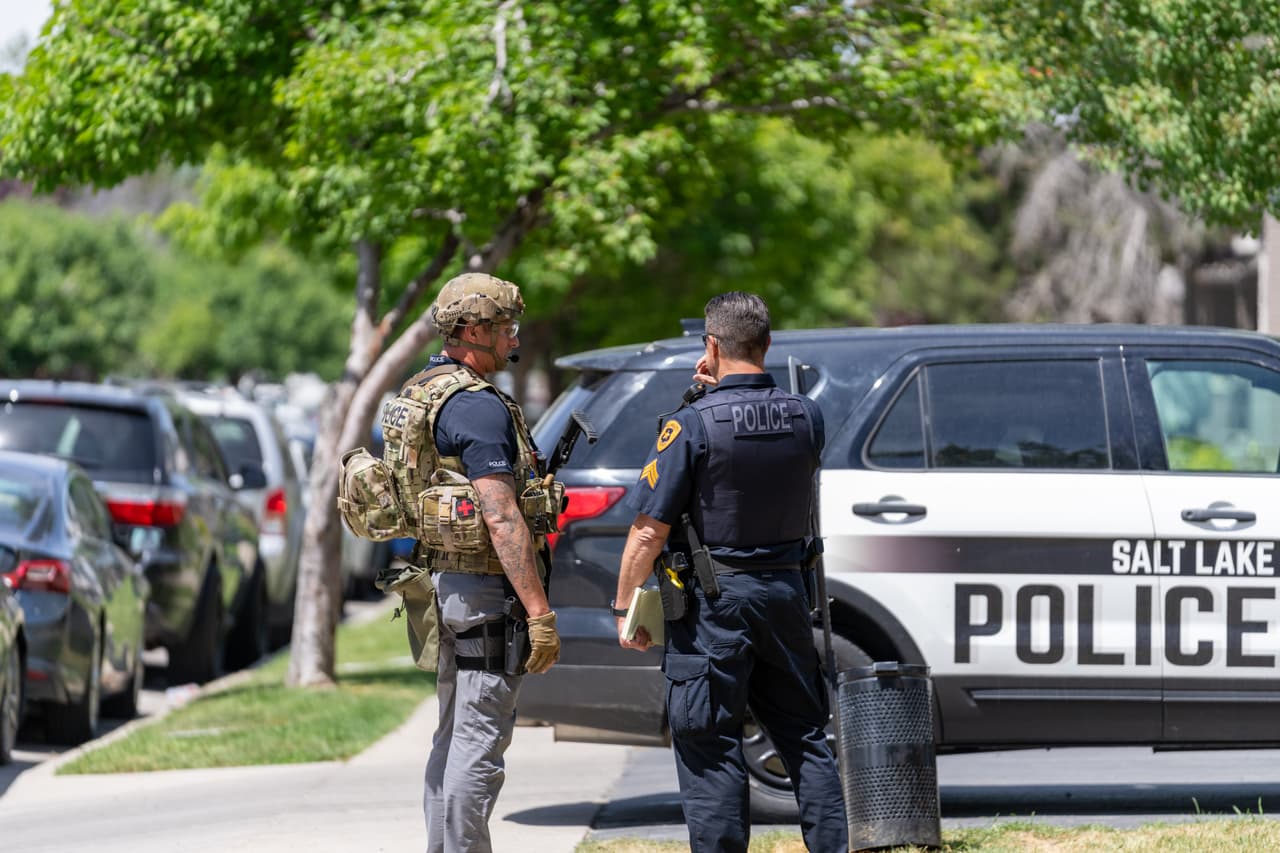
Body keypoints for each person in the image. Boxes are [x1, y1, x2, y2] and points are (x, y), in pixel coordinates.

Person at [613, 291, 847, 852]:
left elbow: (648, 531)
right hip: (786, 593)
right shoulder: (807, 415)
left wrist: (625, 606)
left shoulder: (691, 424)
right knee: (806, 737)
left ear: (711, 346)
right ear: (767, 343)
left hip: (714, 605)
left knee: (709, 741)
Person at [387, 272, 561, 853]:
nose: (515, 336)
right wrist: (539, 613)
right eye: (505, 326)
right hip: (484, 595)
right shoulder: (477, 406)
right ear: (472, 329)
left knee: (452, 736)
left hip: (443, 587)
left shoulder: (423, 389)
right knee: (477, 743)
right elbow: (502, 515)